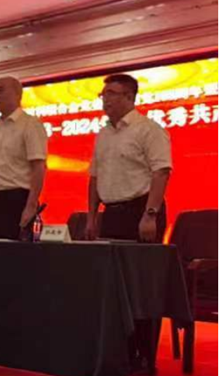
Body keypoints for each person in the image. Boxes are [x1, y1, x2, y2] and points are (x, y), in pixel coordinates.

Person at [85, 74, 172, 373]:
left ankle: (145, 359)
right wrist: (92, 216)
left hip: (141, 212)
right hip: (112, 214)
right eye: (103, 94)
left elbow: (161, 173)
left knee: (142, 289)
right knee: (114, 288)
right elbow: (94, 178)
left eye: (111, 93)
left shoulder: (149, 129)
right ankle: (121, 354)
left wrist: (150, 214)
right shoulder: (103, 134)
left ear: (129, 97)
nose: (105, 99)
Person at [0, 76, 48, 240]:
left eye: (0, 90)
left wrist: (31, 206)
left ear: (17, 94)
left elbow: (39, 168)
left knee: (13, 253)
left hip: (16, 200)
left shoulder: (30, 124)